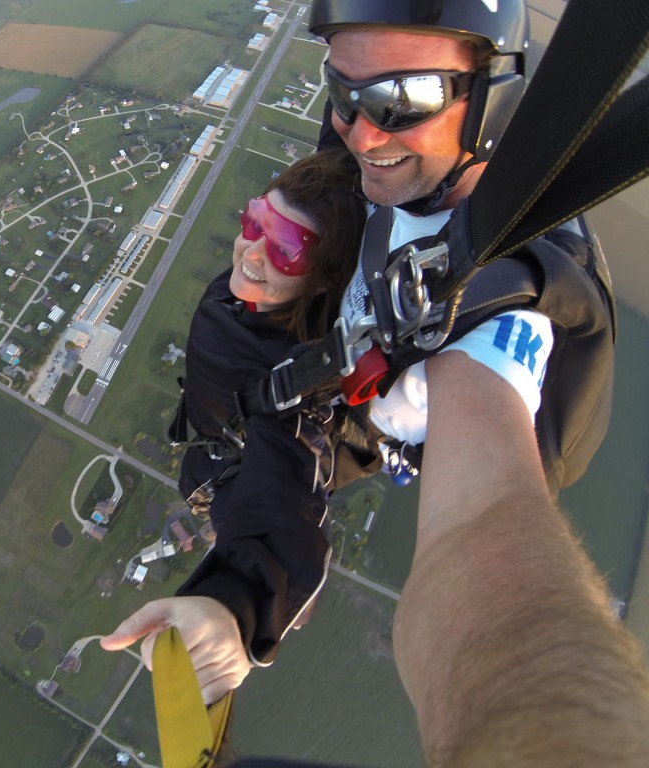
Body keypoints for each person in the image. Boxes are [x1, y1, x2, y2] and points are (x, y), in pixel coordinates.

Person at [104, 0, 649, 763]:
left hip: (349, 420)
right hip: (314, 368)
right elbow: (359, 136)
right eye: (343, 90)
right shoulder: (398, 159)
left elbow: (481, 530)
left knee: (275, 440)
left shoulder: (496, 326)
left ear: (492, 95)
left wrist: (234, 605)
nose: (361, 131)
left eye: (401, 99)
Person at [160, 149, 366, 686]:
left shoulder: (292, 380)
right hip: (213, 450)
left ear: (323, 279)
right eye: (254, 221)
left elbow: (277, 493)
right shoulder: (255, 297)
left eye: (285, 249)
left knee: (244, 510)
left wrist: (237, 606)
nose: (252, 251)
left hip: (235, 476)